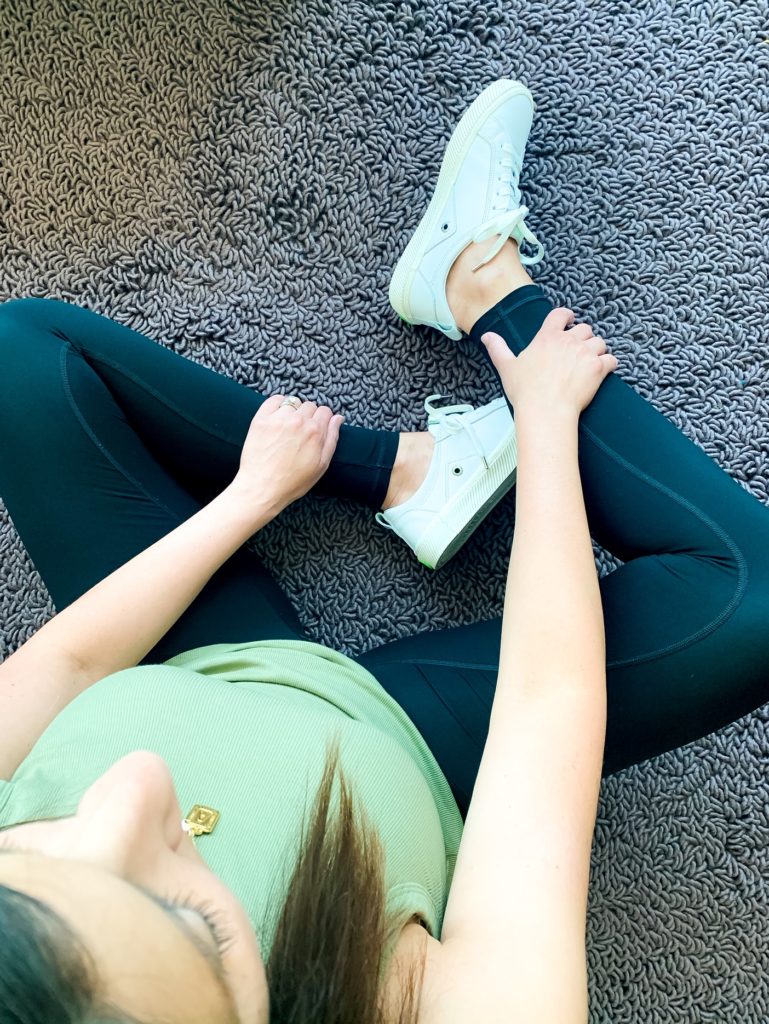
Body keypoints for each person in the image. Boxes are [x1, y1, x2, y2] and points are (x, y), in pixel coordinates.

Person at [0, 77, 768, 1024]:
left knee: (19, 357)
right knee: (751, 601)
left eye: (27, 858)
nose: (134, 783)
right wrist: (541, 423)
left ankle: (410, 474)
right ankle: (484, 284)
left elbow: (74, 661)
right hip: (395, 734)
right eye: (197, 923)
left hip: (207, 660)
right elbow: (542, 708)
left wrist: (252, 497)